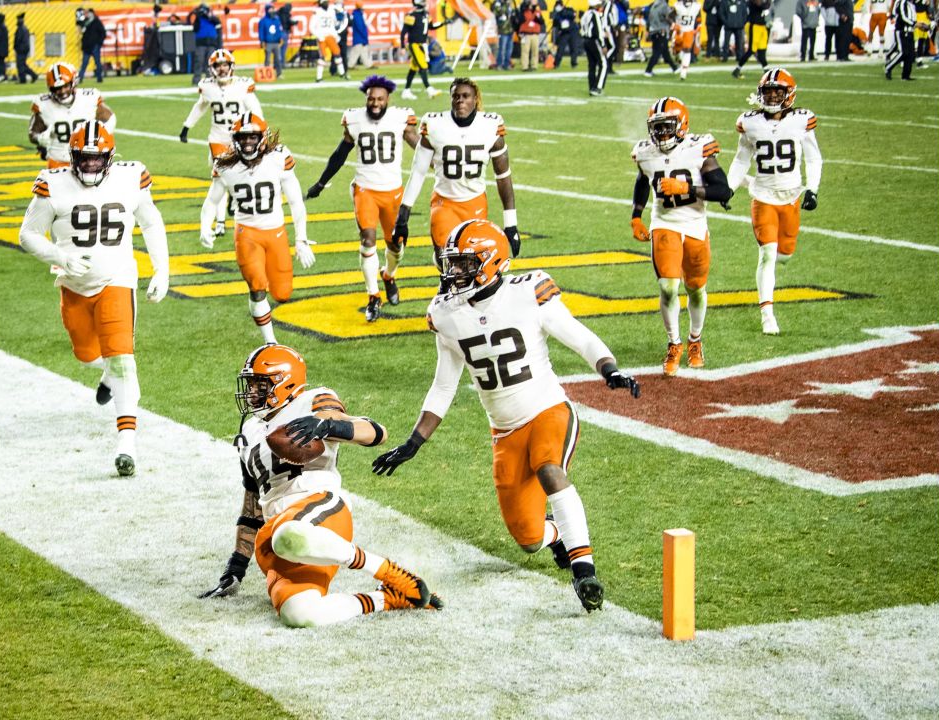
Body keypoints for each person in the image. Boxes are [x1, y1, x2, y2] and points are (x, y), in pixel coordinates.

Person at [371, 220, 640, 613]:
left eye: (464, 264)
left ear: (492, 262)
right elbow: (444, 386)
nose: (454, 273)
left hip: (547, 408)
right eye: (453, 264)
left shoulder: (528, 292)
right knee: (529, 538)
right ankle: (559, 535)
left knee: (549, 467)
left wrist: (608, 368)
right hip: (504, 431)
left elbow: (576, 333)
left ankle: (584, 571)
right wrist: (414, 442)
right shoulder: (446, 314)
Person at [199, 344, 443, 626]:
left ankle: (388, 571)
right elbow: (252, 502)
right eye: (250, 384)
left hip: (318, 509)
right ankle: (389, 598)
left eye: (260, 384)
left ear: (285, 383)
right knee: (299, 614)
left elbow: (375, 432)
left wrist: (328, 426)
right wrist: (236, 568)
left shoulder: (313, 400)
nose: (252, 392)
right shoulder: (249, 431)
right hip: (275, 532)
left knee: (290, 535)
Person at [17, 121, 170, 476]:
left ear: (110, 158)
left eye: (96, 160)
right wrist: (59, 256)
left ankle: (127, 444)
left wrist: (162, 270)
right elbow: (27, 235)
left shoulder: (130, 177)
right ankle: (106, 376)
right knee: (87, 355)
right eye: (83, 160)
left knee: (122, 361)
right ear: (72, 158)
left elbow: (150, 222)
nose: (89, 166)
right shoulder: (53, 183)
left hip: (117, 280)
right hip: (73, 284)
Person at [630, 97, 731, 375]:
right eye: (657, 127)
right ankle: (674, 343)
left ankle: (695, 340)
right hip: (664, 223)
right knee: (667, 287)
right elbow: (643, 180)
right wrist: (636, 216)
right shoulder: (645, 152)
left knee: (696, 289)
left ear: (682, 125)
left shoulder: (699, 148)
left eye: (667, 127)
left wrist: (685, 188)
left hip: (695, 224)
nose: (661, 134)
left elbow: (724, 191)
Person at [306, 76, 420, 322]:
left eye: (380, 99)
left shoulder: (401, 118)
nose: (375, 103)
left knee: (395, 245)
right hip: (365, 189)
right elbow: (340, 153)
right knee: (368, 240)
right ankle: (373, 296)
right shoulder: (354, 118)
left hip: (393, 191)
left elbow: (420, 148)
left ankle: (389, 275)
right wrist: (321, 182)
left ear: (388, 99)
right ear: (366, 99)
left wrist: (438, 163)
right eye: (371, 99)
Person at [200, 115, 313, 343]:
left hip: (276, 232)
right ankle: (270, 341)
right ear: (235, 140)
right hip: (247, 234)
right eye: (243, 137)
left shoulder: (278, 158)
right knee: (257, 286)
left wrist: (301, 238)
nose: (248, 142)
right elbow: (212, 201)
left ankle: (266, 293)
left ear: (262, 138)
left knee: (282, 294)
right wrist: (205, 225)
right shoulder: (225, 164)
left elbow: (295, 201)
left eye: (252, 136)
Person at [393, 78, 520, 278]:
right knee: (448, 264)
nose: (460, 100)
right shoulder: (434, 123)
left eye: (465, 96)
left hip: (475, 203)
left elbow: (503, 176)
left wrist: (510, 223)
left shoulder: (490, 125)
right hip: (445, 203)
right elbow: (418, 171)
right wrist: (404, 213)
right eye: (455, 96)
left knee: (472, 266)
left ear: (475, 99)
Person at [727, 69, 822, 335]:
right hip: (763, 196)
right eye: (767, 91)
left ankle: (750, 183)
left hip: (791, 195)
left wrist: (812, 189)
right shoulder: (750, 122)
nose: (770, 97)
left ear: (788, 94)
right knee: (767, 254)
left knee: (785, 256)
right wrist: (730, 187)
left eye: (776, 92)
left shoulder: (802, 120)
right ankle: (767, 314)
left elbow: (813, 158)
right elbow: (741, 158)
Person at [180, 49, 264, 238]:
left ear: (231, 66)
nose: (222, 69)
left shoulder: (243, 85)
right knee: (220, 179)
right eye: (218, 66)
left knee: (244, 176)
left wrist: (261, 130)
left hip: (241, 139)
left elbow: (255, 109)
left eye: (225, 65)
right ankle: (219, 223)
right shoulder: (207, 86)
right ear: (212, 68)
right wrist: (187, 126)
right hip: (218, 139)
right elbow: (200, 106)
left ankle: (234, 202)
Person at [29, 62, 116, 169]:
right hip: (58, 161)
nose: (62, 91)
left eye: (65, 86)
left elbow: (110, 119)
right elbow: (33, 133)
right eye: (57, 88)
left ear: (73, 82)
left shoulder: (89, 98)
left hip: (87, 161)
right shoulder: (43, 104)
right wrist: (39, 139)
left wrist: (100, 140)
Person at [400, 0, 446, 98]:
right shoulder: (411, 16)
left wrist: (443, 23)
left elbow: (431, 27)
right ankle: (429, 89)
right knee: (423, 66)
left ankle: (406, 91)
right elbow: (403, 32)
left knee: (413, 68)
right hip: (414, 44)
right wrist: (402, 47)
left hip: (422, 44)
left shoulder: (426, 15)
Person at [311, 0, 348, 82]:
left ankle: (342, 73)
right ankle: (319, 77)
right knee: (323, 57)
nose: (326, 4)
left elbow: (332, 25)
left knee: (337, 54)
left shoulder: (331, 11)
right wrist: (318, 36)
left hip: (330, 36)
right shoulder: (317, 12)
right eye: (325, 2)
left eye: (327, 2)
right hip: (322, 37)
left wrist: (335, 35)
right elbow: (311, 27)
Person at [731, 0, 769, 78]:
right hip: (754, 26)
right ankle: (737, 69)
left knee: (762, 50)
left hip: (762, 26)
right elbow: (763, 6)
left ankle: (766, 71)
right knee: (751, 50)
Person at [580, 0, 609, 95]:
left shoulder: (585, 14)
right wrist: (603, 45)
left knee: (592, 65)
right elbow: (599, 31)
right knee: (603, 64)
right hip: (594, 41)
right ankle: (597, 88)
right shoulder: (595, 14)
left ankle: (592, 87)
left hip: (586, 40)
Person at [642, 0, 678, 78]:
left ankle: (674, 68)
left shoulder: (654, 4)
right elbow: (668, 16)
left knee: (665, 52)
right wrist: (673, 23)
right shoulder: (664, 6)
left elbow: (648, 18)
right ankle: (648, 70)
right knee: (657, 52)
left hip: (653, 31)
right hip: (661, 30)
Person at [884, 0, 917, 80]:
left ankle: (906, 75)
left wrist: (917, 25)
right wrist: (914, 24)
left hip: (910, 31)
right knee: (903, 53)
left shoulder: (911, 5)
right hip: (902, 31)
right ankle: (888, 67)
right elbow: (903, 17)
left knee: (910, 54)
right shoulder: (902, 2)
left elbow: (913, 17)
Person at [192, 3, 222, 84]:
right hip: (201, 44)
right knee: (199, 62)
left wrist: (208, 16)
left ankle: (210, 80)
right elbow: (195, 29)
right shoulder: (198, 19)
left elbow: (218, 22)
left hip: (211, 43)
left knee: (210, 63)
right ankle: (196, 80)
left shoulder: (212, 18)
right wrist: (198, 16)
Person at [672, 0, 702, 81]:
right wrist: (674, 25)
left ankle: (683, 73)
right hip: (679, 31)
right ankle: (678, 58)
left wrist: (698, 27)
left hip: (689, 31)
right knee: (676, 51)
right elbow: (669, 17)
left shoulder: (696, 6)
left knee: (687, 50)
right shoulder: (677, 6)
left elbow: (699, 19)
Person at [259, 5, 287, 78]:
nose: (272, 11)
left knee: (278, 59)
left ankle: (279, 73)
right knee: (267, 59)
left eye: (273, 9)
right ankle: (266, 74)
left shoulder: (277, 19)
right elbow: (261, 32)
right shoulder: (263, 21)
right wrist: (262, 41)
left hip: (276, 42)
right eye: (270, 10)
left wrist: (281, 37)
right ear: (267, 11)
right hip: (268, 42)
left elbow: (279, 30)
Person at [552, 1, 581, 69]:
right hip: (564, 33)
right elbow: (555, 22)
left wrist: (563, 11)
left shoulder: (568, 10)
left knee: (574, 48)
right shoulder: (557, 14)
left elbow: (572, 15)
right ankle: (556, 63)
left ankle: (574, 63)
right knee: (561, 49)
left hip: (572, 31)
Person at [517, 0, 545, 71]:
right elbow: (521, 20)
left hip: (535, 33)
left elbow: (542, 21)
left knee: (535, 51)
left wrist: (537, 18)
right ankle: (524, 66)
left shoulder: (537, 11)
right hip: (526, 33)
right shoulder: (524, 11)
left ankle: (534, 65)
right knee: (525, 51)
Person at [80, 8, 105, 83]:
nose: (86, 15)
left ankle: (99, 78)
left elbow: (103, 33)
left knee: (97, 63)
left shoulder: (97, 22)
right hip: (87, 47)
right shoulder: (85, 22)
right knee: (84, 63)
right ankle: (80, 78)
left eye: (88, 13)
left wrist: (99, 43)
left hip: (95, 46)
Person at [719, 0, 747, 67]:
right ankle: (725, 57)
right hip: (728, 26)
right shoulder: (725, 2)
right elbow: (721, 13)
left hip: (739, 25)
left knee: (739, 42)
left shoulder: (741, 2)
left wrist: (742, 22)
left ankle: (739, 57)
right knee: (726, 42)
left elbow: (745, 13)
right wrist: (726, 22)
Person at [13, 13, 37, 84]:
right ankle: (33, 75)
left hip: (21, 49)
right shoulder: (24, 28)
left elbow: (18, 40)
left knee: (20, 65)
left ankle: (23, 79)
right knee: (22, 65)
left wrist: (16, 47)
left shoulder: (21, 29)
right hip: (23, 49)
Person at [347, 3, 372, 69]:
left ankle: (368, 65)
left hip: (360, 37)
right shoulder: (357, 15)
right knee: (356, 51)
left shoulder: (357, 15)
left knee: (364, 52)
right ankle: (350, 65)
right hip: (359, 37)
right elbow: (360, 27)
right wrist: (364, 36)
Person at [493, 0, 516, 70]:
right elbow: (499, 12)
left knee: (509, 49)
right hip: (502, 30)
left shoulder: (509, 3)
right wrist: (506, 6)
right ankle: (499, 64)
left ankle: (507, 64)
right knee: (502, 48)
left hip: (510, 29)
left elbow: (512, 14)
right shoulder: (498, 3)